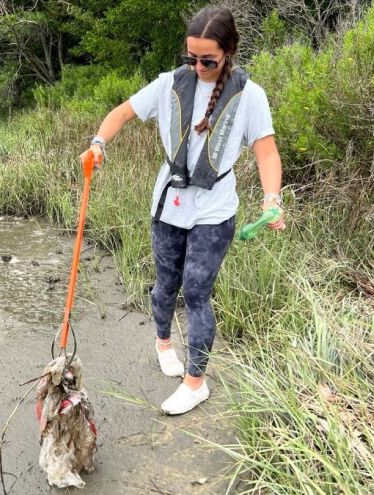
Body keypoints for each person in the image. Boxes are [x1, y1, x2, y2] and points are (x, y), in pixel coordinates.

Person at [79, 6, 286, 415]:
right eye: (191, 58)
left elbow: (266, 153)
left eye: (207, 60)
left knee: (196, 290)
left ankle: (196, 383)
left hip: (215, 208)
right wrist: (98, 143)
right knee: (165, 285)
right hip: (169, 204)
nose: (198, 67)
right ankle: (163, 343)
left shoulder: (250, 96)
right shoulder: (168, 85)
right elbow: (121, 113)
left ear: (228, 52)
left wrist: (272, 199)